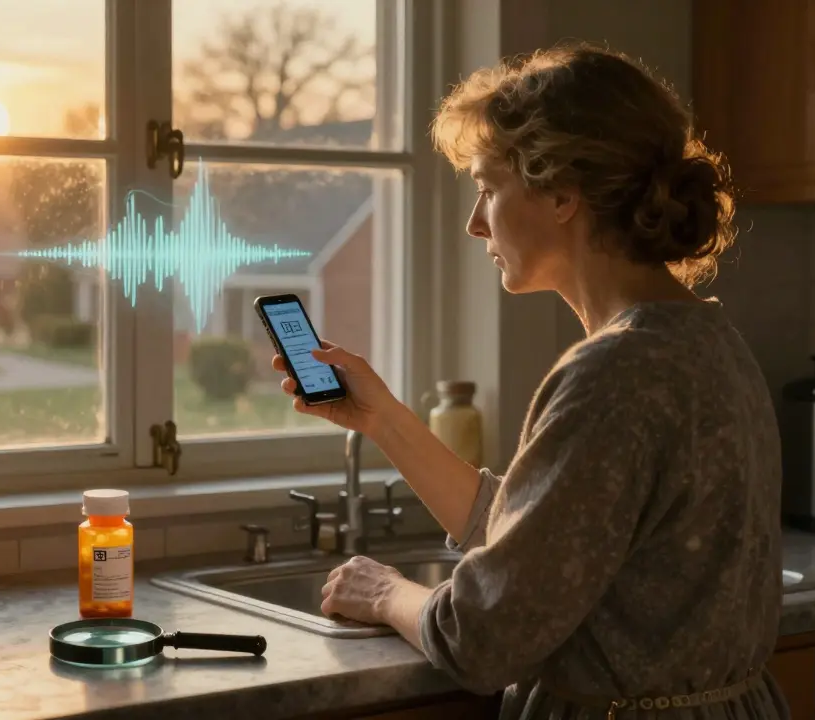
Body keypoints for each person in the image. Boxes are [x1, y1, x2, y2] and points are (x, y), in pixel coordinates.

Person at [272, 43, 787, 719]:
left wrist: (385, 593)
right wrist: (385, 420)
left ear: (562, 192)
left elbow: (481, 635)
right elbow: (546, 542)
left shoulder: (615, 373)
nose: (474, 222)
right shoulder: (702, 339)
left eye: (488, 188)